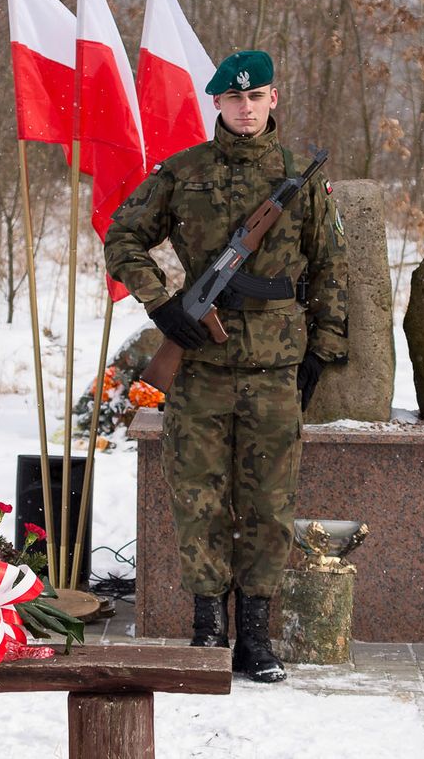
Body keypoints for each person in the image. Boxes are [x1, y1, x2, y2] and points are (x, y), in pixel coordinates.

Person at [104, 51, 348, 682]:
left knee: (269, 505)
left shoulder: (299, 176)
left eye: (257, 96)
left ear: (274, 98)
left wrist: (323, 349)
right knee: (199, 498)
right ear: (216, 103)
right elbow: (121, 235)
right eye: (234, 99)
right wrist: (162, 306)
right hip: (202, 366)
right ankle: (208, 626)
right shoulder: (183, 172)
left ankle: (257, 637)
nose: (245, 107)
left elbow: (328, 268)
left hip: (275, 368)